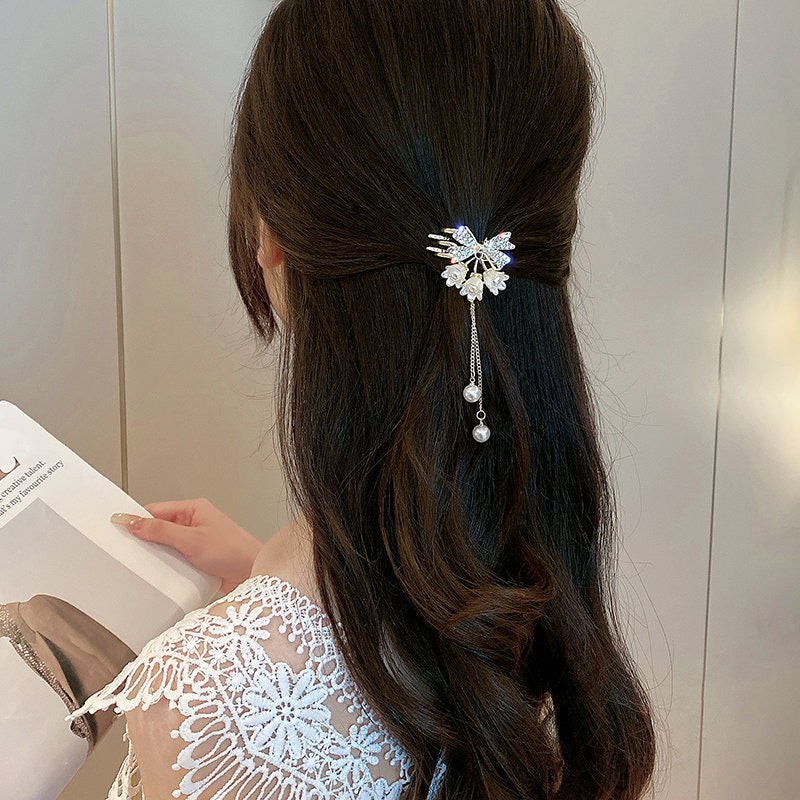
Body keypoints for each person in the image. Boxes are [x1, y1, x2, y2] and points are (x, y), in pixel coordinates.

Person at [68, 0, 659, 798]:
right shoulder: (518, 576)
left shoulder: (202, 708)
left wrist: (259, 636)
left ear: (269, 232)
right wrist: (273, 580)